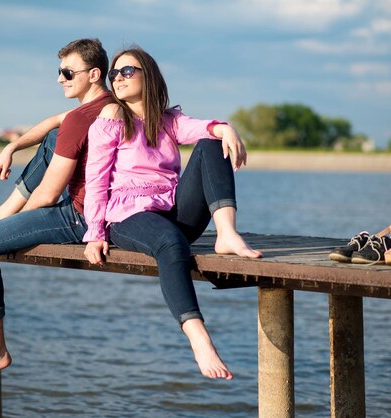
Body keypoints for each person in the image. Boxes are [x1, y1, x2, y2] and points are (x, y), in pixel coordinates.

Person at [82, 46, 262, 380]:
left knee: (210, 143)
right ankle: (199, 338)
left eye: (126, 71)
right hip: (128, 216)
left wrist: (226, 129)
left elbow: (205, 129)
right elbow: (96, 180)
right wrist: (94, 232)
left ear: (147, 75)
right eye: (113, 74)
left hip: (173, 210)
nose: (117, 79)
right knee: (170, 244)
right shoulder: (110, 119)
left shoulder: (169, 120)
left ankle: (226, 233)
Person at [0, 38, 112, 392]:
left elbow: (46, 195)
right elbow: (54, 123)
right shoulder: (107, 105)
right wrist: (11, 145)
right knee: (53, 134)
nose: (59, 79)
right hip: (107, 211)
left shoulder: (82, 118)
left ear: (94, 74)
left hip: (83, 218)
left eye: (67, 72)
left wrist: (12, 227)